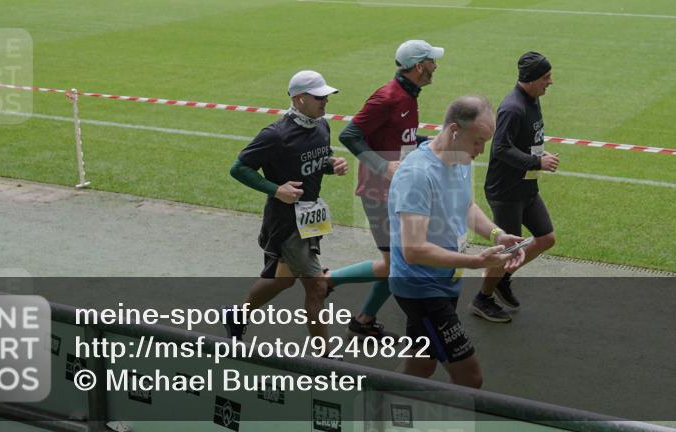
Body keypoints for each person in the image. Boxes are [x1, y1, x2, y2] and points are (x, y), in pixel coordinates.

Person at [389, 95, 527, 388]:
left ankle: (374, 417)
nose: (481, 150)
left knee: (421, 366)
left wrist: (497, 234)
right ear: (454, 130)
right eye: (477, 141)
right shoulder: (417, 174)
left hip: (444, 281)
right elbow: (413, 250)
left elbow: (466, 206)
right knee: (469, 377)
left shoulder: (459, 159)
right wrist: (477, 262)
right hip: (421, 287)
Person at [328, 40, 444, 338]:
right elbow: (350, 135)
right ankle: (325, 280)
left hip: (397, 190)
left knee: (400, 259)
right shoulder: (387, 97)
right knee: (398, 263)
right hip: (378, 192)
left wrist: (428, 141)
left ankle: (364, 320)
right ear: (419, 66)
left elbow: (399, 136)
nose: (435, 66)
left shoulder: (408, 95)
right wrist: (384, 167)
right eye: (432, 61)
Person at [223, 70, 348, 341]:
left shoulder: (321, 126)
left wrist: (332, 165)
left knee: (283, 279)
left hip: (310, 218)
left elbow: (315, 162)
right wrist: (275, 189)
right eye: (319, 97)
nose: (325, 101)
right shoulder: (275, 135)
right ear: (299, 99)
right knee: (316, 287)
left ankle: (238, 314)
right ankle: (325, 357)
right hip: (286, 222)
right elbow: (238, 168)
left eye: (327, 96)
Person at [470, 51, 559, 323]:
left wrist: (538, 157)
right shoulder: (513, 107)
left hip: (525, 187)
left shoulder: (532, 99)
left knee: (546, 238)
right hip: (506, 192)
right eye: (545, 77)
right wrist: (537, 162)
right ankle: (482, 298)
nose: (550, 82)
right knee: (508, 250)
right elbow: (501, 148)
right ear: (530, 79)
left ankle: (502, 279)